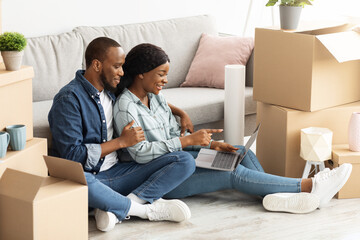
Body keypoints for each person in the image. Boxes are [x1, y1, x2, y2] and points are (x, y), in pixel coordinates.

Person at [113, 43, 352, 214]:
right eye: (161, 74)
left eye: (167, 74)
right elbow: (140, 153)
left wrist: (211, 144)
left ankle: (277, 197)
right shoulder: (126, 108)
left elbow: (174, 136)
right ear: (140, 74)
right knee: (232, 173)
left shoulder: (156, 98)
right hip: (165, 175)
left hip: (181, 158)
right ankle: (311, 187)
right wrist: (186, 142)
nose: (165, 80)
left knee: (239, 152)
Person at [48, 37, 198, 232]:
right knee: (80, 182)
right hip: (93, 178)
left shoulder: (111, 89)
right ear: (96, 65)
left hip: (120, 173)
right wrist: (120, 142)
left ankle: (115, 207)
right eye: (117, 66)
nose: (122, 72)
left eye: (123, 66)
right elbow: (72, 156)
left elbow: (141, 95)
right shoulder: (68, 100)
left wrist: (180, 112)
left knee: (184, 160)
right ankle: (145, 211)